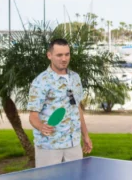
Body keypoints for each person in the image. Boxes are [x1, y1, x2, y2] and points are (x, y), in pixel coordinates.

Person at [27, 38, 93, 166]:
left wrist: (85, 135)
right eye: (59, 55)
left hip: (73, 143)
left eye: (67, 54)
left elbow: (77, 107)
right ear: (49, 55)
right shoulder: (40, 81)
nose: (64, 59)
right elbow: (33, 115)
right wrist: (41, 126)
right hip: (49, 145)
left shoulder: (75, 77)